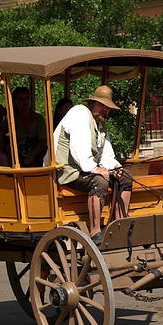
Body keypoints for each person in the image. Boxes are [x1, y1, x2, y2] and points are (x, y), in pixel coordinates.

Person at [50, 85, 131, 245]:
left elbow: (106, 155)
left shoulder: (100, 125)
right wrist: (95, 169)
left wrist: (115, 168)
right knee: (99, 181)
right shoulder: (80, 113)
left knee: (126, 178)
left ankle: (119, 226)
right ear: (92, 103)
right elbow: (78, 150)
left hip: (83, 169)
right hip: (66, 171)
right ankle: (95, 231)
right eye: (102, 105)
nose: (105, 109)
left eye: (108, 107)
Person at [12, 86, 47, 167]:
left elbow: (43, 140)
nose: (25, 101)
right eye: (21, 99)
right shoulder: (12, 119)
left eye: (27, 98)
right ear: (15, 102)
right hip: (18, 152)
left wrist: (32, 155)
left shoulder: (39, 118)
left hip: (36, 151)